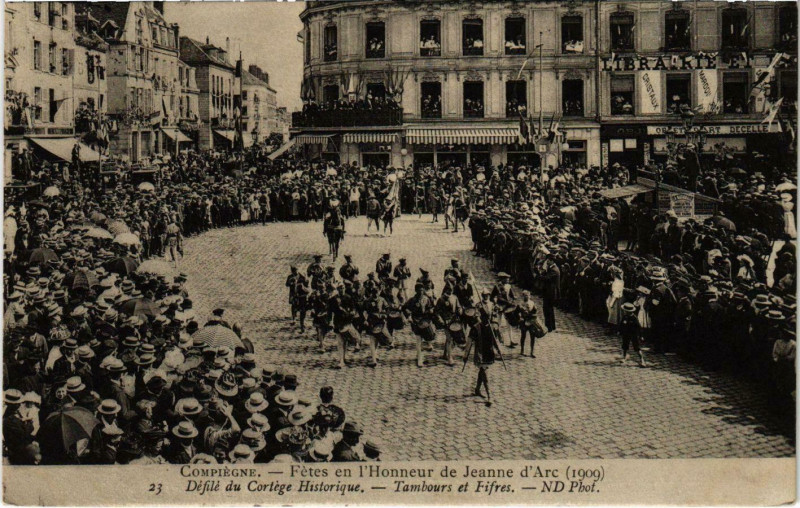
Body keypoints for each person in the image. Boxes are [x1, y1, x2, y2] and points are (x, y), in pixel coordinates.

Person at [541, 254, 560, 332]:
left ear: (551, 260)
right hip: (549, 291)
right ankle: (551, 326)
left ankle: (549, 326)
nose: (547, 261)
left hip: (550, 292)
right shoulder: (552, 268)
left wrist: (539, 275)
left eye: (548, 260)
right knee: (549, 309)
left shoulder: (554, 270)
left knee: (547, 309)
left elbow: (547, 279)